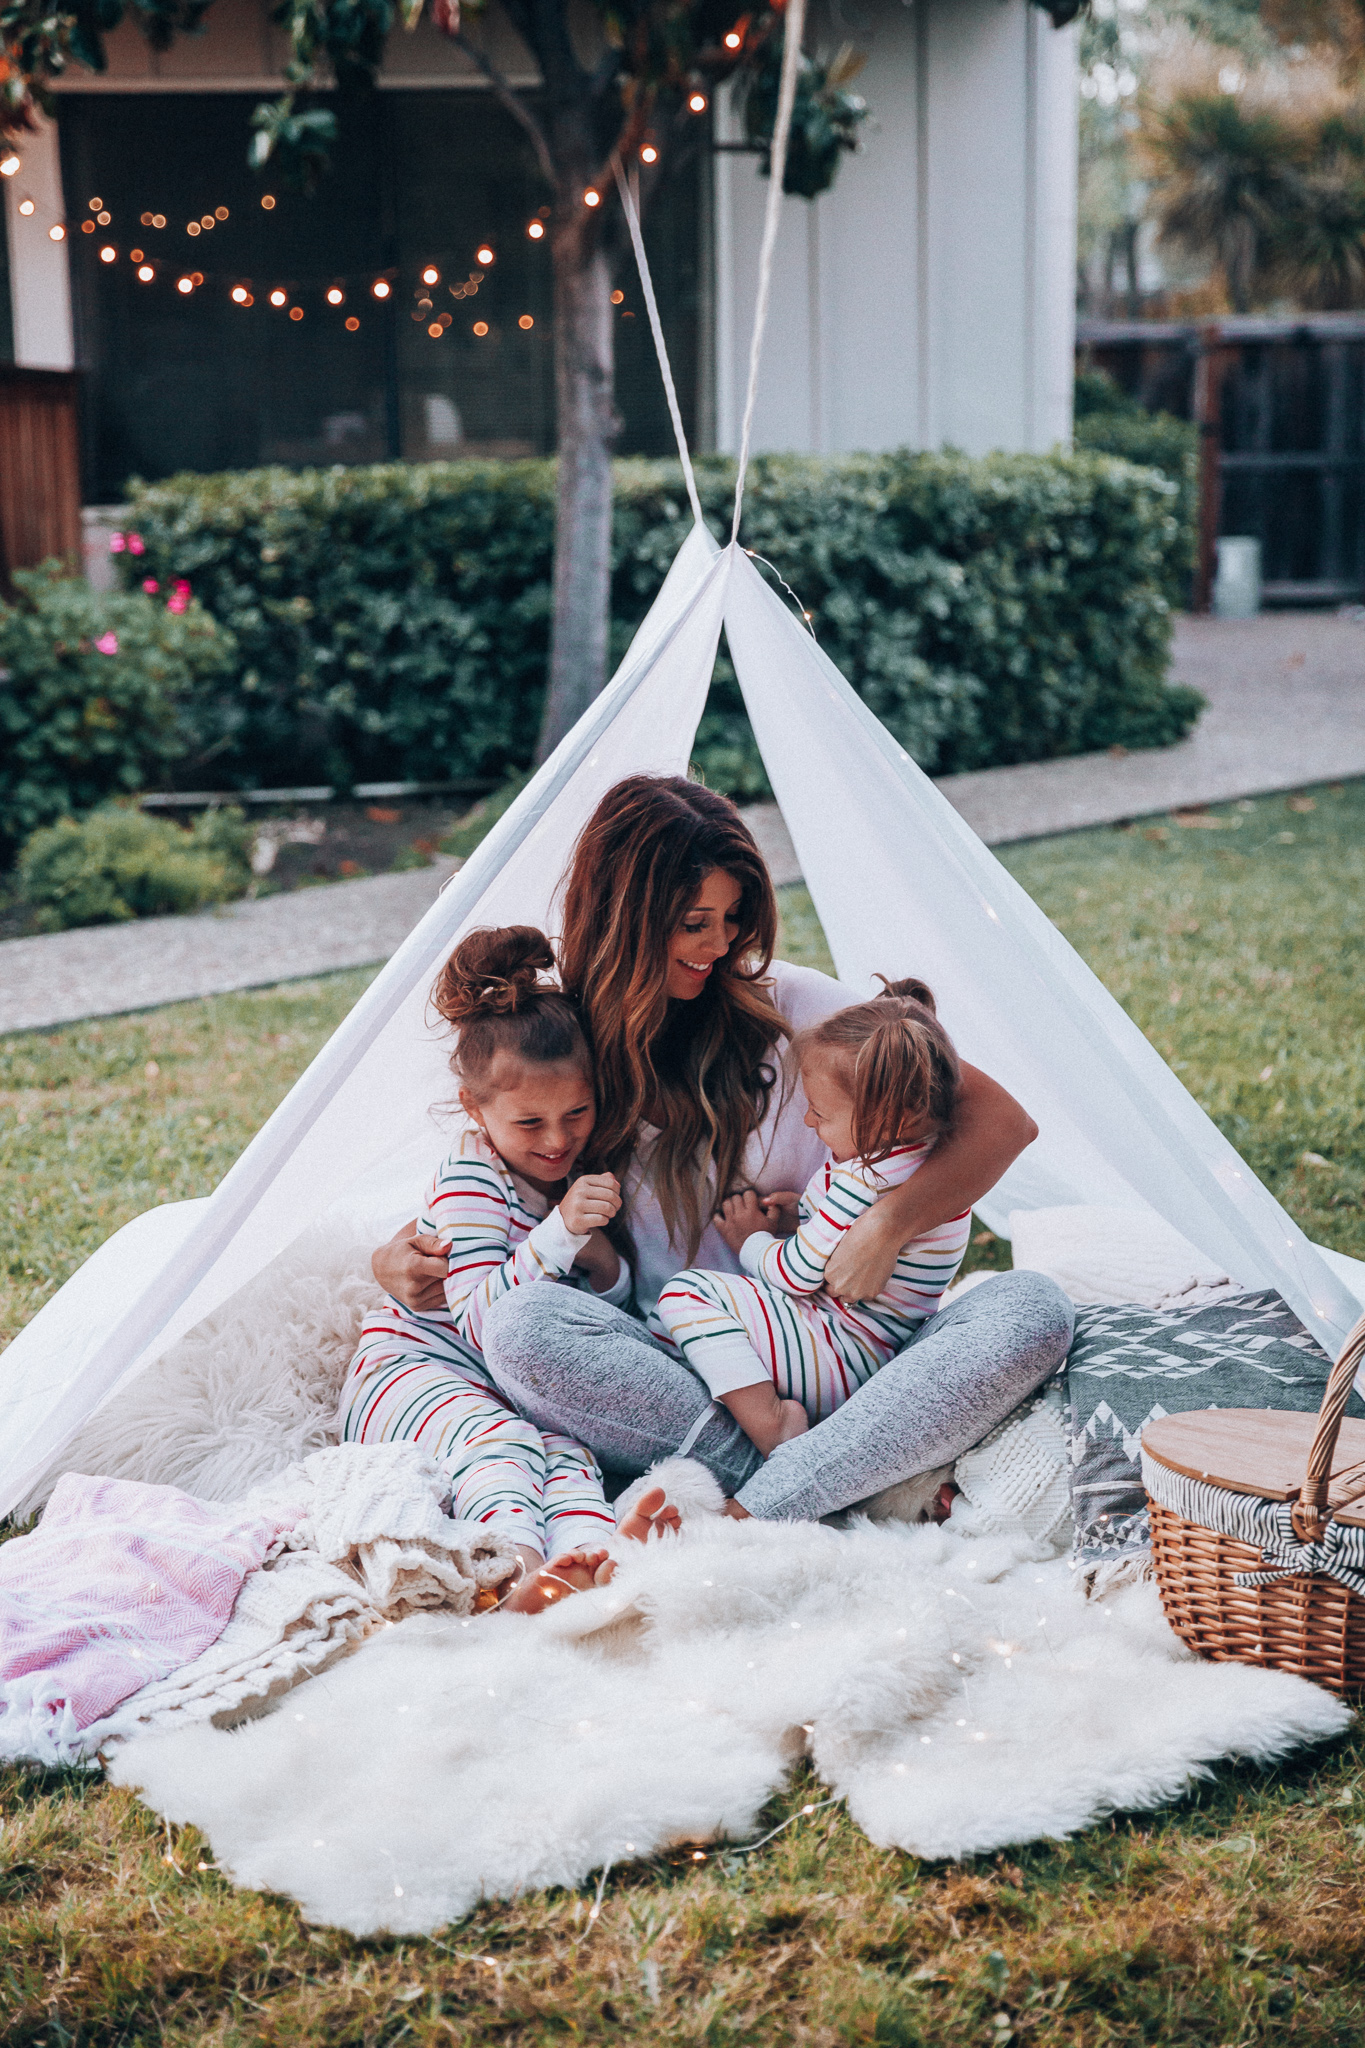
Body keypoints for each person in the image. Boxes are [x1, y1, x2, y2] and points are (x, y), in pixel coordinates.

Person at [371, 775, 1074, 1527]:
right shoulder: (560, 1043)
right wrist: (393, 1258)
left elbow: (1000, 1123)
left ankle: (764, 1498)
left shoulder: (804, 1014)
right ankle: (824, 1481)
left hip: (839, 1346)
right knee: (522, 1329)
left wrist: (887, 1224)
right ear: (624, 918)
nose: (721, 944)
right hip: (676, 1368)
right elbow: (499, 1175)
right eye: (692, 922)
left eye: (733, 917)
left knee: (1029, 1307)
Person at [338, 924, 676, 1613]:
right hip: (410, 1375)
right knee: (504, 1445)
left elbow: (586, 1314)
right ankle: (513, 1570)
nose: (557, 1141)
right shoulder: (471, 1180)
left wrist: (601, 1259)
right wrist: (560, 1232)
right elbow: (489, 1320)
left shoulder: (562, 1181)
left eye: (576, 1113)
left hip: (503, 1390)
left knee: (569, 1451)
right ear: (475, 1108)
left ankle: (592, 1560)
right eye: (530, 1123)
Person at [653, 977, 970, 1458]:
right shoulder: (922, 1159)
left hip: (842, 1354)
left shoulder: (868, 1177)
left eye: (821, 1114)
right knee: (679, 1326)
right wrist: (798, 1219)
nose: (809, 1123)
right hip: (854, 1343)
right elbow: (838, 1243)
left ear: (888, 1118)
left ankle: (773, 1425)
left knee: (686, 1293)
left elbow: (799, 1274)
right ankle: (732, 1404)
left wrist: (752, 1240)